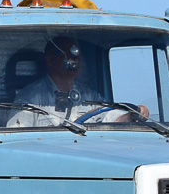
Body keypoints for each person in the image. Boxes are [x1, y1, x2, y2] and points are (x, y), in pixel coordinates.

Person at [8, 36, 149, 128]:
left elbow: (110, 117)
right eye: (67, 56)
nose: (74, 62)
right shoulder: (31, 98)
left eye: (76, 57)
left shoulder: (89, 96)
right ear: (49, 60)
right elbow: (18, 141)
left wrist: (131, 114)